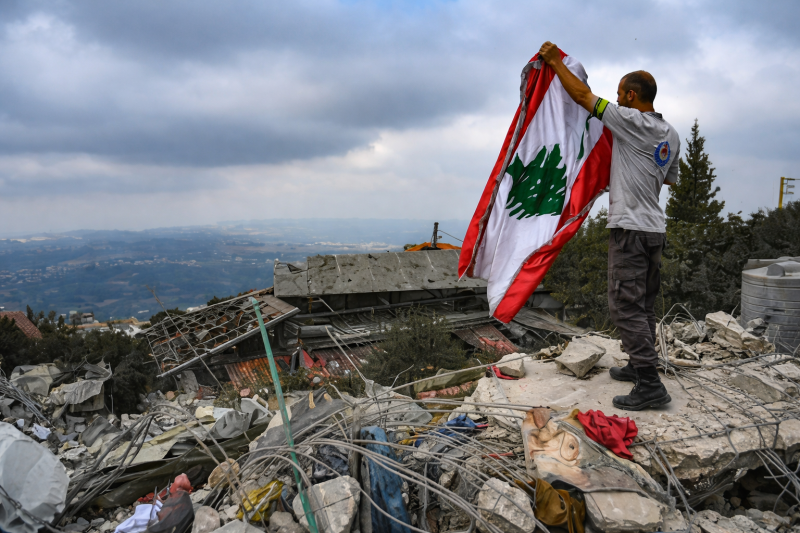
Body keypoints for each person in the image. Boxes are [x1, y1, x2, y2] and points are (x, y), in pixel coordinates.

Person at [538, 42, 680, 411]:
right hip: (654, 229)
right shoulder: (670, 134)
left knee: (624, 307)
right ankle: (638, 366)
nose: (616, 100)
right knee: (643, 304)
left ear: (632, 96)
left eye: (620, 94)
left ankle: (650, 385)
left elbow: (585, 96)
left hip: (630, 229)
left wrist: (554, 61)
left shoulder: (631, 120)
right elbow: (670, 179)